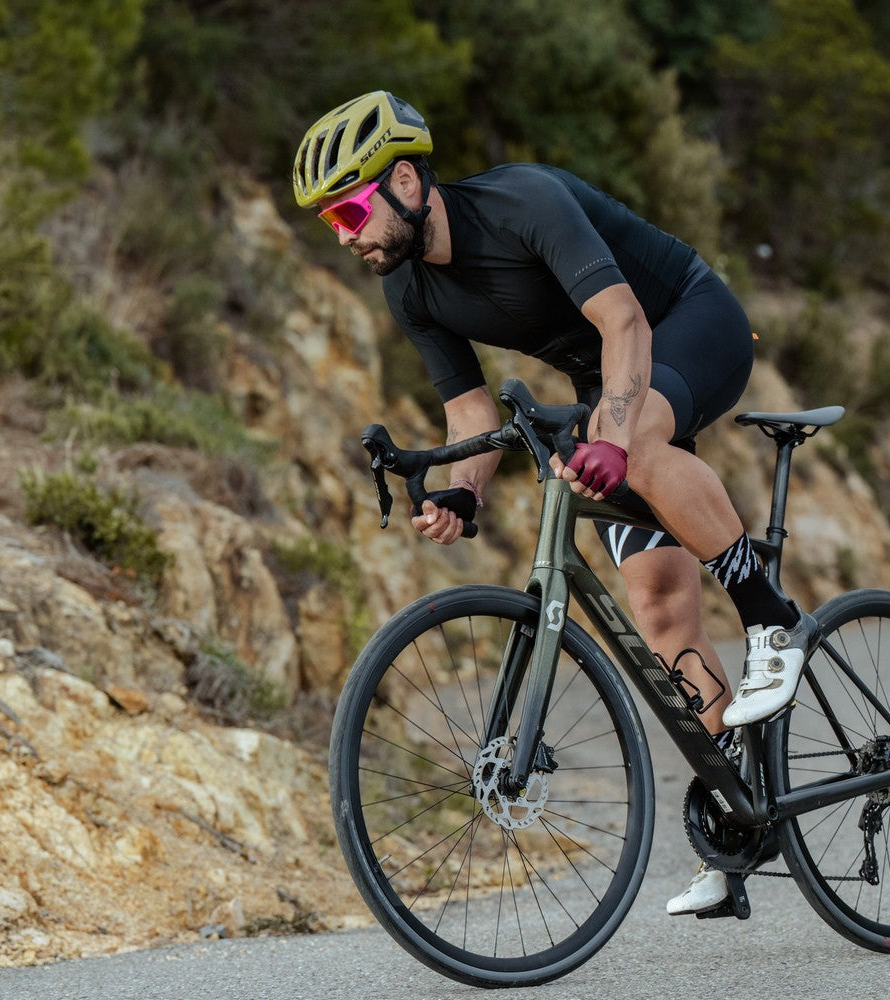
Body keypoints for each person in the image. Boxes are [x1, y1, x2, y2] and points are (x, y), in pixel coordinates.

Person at [293, 90, 817, 916]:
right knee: (658, 604)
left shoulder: (523, 202)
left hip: (686, 322)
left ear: (404, 181)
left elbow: (625, 323)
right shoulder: (409, 291)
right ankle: (737, 818)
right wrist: (462, 492)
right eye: (331, 222)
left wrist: (615, 437)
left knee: (636, 444)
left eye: (351, 211)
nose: (345, 235)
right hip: (608, 379)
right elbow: (470, 413)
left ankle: (771, 619)